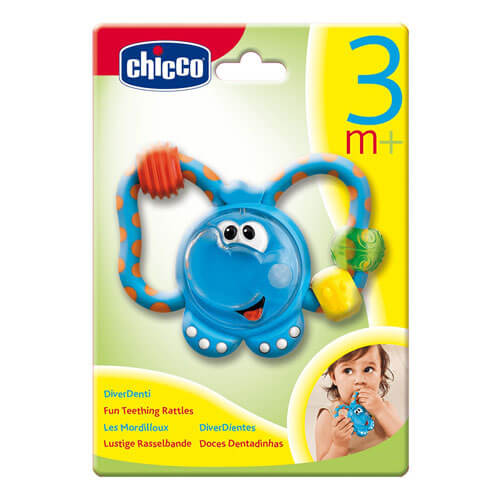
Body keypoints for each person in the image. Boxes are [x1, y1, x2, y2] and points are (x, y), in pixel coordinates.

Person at [315, 345, 403, 460]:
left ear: (381, 374)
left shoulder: (385, 408)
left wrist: (381, 411)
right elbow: (323, 466)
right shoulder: (328, 416)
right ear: (334, 377)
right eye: (347, 371)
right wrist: (339, 445)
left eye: (368, 369)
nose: (360, 380)